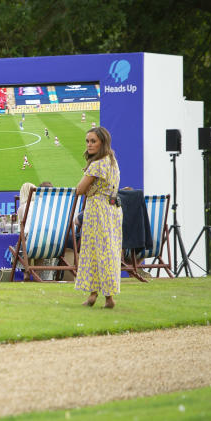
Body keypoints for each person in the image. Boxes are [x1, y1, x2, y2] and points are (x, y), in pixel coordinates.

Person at [75, 126, 122, 309]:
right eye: (87, 141)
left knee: (98, 252)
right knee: (106, 251)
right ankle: (94, 295)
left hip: (98, 211)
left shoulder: (97, 164)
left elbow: (80, 189)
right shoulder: (112, 161)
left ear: (102, 142)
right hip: (112, 209)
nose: (89, 145)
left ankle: (107, 297)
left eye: (93, 141)